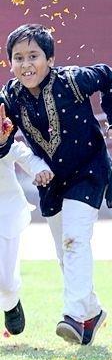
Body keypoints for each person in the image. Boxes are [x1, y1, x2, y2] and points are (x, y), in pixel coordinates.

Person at [0, 24, 112, 346]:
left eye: (34, 56)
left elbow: (107, 76)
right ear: (10, 64)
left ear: (50, 59)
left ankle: (72, 314)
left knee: (74, 239)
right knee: (65, 251)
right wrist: (2, 141)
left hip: (88, 169)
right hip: (53, 182)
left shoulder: (71, 80)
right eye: (18, 58)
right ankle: (91, 313)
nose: (26, 64)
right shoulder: (9, 97)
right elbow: (3, 142)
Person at [0, 137, 52, 336]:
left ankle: (11, 302)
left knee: (4, 279)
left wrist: (40, 169)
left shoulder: (3, 137)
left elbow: (24, 154)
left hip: (6, 211)